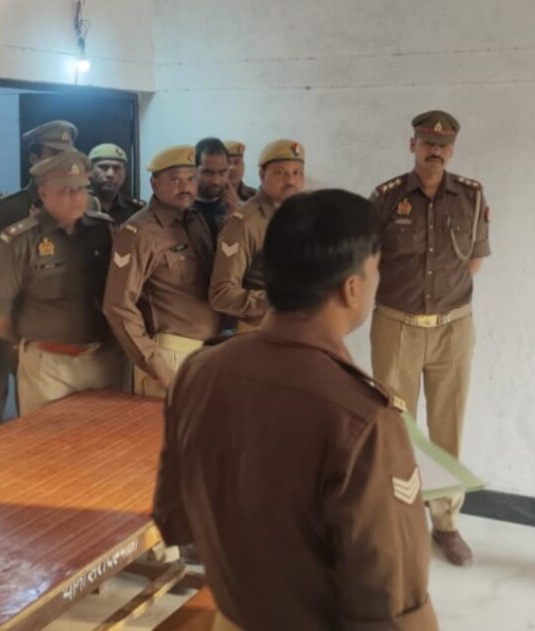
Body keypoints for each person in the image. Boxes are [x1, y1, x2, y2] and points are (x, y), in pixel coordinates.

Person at [153, 189, 439, 630]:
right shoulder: (362, 419)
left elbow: (175, 518)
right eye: (377, 268)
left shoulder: (199, 371)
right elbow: (390, 601)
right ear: (352, 287)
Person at [368, 110, 491, 566]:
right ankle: (397, 522)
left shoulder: (472, 196)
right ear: (413, 146)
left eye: (442, 145)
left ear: (452, 150)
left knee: (446, 430)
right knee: (397, 430)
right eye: (426, 143)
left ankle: (446, 523)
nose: (434, 150)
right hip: (396, 326)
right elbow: (368, 261)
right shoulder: (386, 198)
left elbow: (473, 261)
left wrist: (442, 306)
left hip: (452, 329)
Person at [0, 150, 121, 415]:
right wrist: (28, 342)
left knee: (104, 437)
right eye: (65, 190)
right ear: (43, 193)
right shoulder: (18, 241)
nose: (75, 197)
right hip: (47, 366)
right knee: (48, 439)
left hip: (103, 359)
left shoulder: (103, 231)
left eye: (81, 189)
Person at [102, 145, 220, 398]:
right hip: (170, 356)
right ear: (154, 184)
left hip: (208, 351)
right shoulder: (139, 232)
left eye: (191, 179)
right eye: (175, 180)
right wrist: (158, 367)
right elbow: (117, 305)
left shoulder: (195, 221)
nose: (185, 187)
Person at [0, 119, 79, 423]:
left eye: (66, 154)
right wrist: (11, 335)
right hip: (22, 325)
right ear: (33, 159)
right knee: (13, 403)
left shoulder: (82, 202)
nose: (61, 162)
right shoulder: (12, 209)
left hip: (68, 327)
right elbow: (0, 275)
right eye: (53, 154)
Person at [208, 139, 306, 331]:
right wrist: (281, 302)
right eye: (281, 173)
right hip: (257, 331)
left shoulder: (303, 217)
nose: (291, 181)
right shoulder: (245, 222)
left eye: (297, 173)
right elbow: (221, 294)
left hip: (297, 329)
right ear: (262, 174)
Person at [88, 142, 144, 225]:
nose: (110, 174)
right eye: (103, 167)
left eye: (117, 168)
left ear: (125, 172)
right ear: (89, 171)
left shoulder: (137, 211)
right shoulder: (74, 207)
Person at [192, 137, 239, 236]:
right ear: (193, 171)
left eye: (222, 172)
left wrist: (235, 216)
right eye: (208, 173)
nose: (216, 181)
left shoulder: (238, 208)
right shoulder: (180, 208)